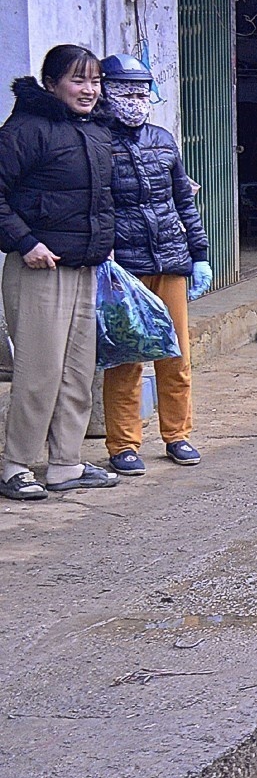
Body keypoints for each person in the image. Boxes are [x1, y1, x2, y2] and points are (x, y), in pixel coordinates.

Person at [0, 45, 117, 499]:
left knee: (77, 371)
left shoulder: (96, 130)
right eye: (78, 80)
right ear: (51, 84)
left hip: (85, 266)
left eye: (95, 81)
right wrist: (25, 242)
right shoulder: (26, 129)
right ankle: (16, 465)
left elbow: (101, 199)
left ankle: (65, 464)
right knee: (39, 371)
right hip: (40, 267)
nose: (89, 90)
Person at [97, 55, 210, 475]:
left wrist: (199, 255)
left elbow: (183, 201)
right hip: (124, 269)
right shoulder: (96, 141)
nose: (134, 100)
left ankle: (177, 434)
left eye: (141, 92)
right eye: (124, 92)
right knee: (126, 359)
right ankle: (123, 444)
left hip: (170, 260)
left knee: (175, 355)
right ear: (106, 94)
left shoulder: (163, 140)